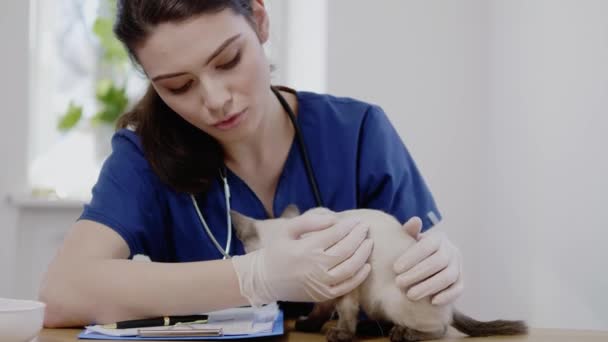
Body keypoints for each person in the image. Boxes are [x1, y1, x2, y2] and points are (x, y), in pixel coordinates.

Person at [39, 0, 463, 328]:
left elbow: (420, 288)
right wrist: (254, 276)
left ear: (260, 20)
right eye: (178, 86)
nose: (215, 99)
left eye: (228, 61)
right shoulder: (143, 157)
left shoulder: (357, 133)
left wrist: (434, 271)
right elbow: (62, 293)